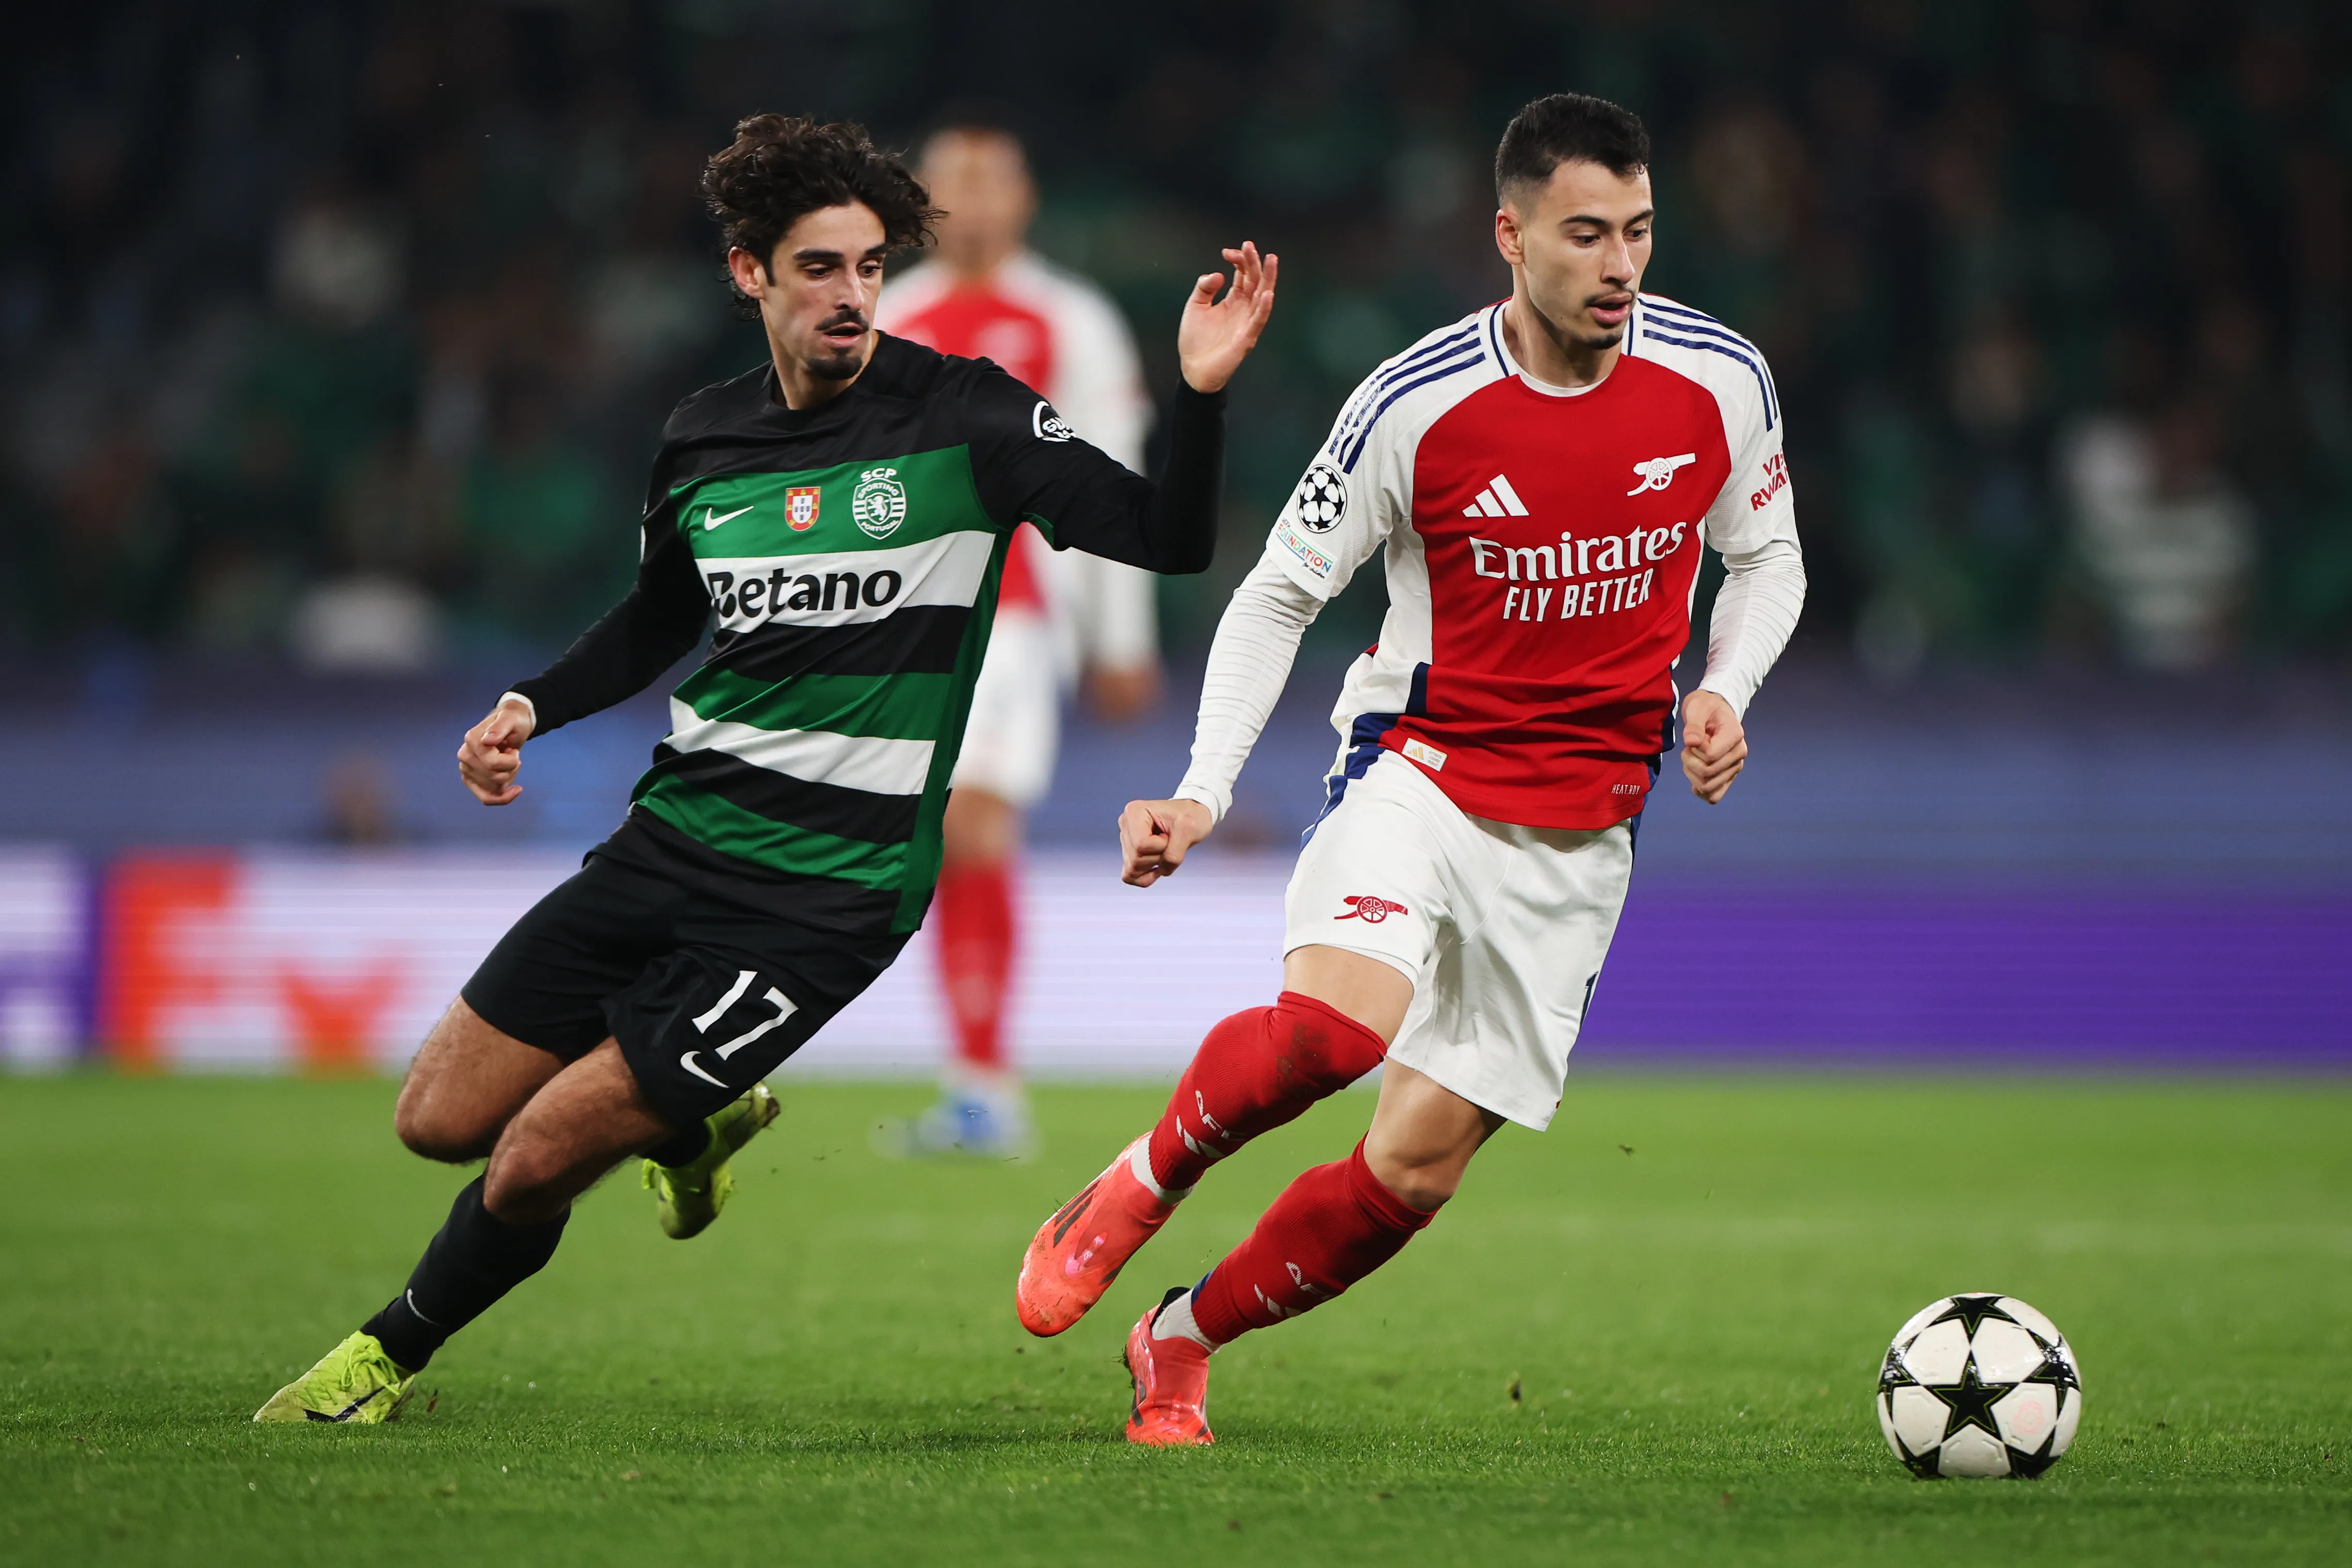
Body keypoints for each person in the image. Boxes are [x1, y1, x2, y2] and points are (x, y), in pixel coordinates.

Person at [255, 113, 1277, 1423]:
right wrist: (531, 702)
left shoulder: (965, 416)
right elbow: (657, 622)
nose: (852, 294)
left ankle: (382, 1357)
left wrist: (1199, 396)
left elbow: (1167, 538)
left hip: (824, 898)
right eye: (819, 269)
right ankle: (693, 1121)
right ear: (750, 274)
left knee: (531, 1157)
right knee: (435, 1118)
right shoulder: (703, 438)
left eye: (867, 267)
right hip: (670, 841)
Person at [1014, 93, 1805, 1446]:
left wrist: (1722, 690)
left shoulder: (1718, 377)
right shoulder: (1414, 401)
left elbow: (1766, 555)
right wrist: (1204, 789)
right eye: (1583, 235)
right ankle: (1139, 1176)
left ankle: (1181, 1334)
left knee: (1412, 1169)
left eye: (1638, 232)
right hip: (1420, 767)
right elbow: (1274, 596)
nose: (1618, 266)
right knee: (1333, 1030)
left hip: (1584, 830)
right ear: (1508, 235)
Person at [873, 121, 1161, 1156]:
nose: (974, 202)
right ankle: (976, 1083)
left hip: (1015, 609)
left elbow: (1110, 475)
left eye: (991, 182)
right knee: (936, 838)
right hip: (901, 620)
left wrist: (1121, 632)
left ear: (1024, 199)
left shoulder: (1069, 319)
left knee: (973, 825)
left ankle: (985, 1090)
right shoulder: (889, 315)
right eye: (953, 183)